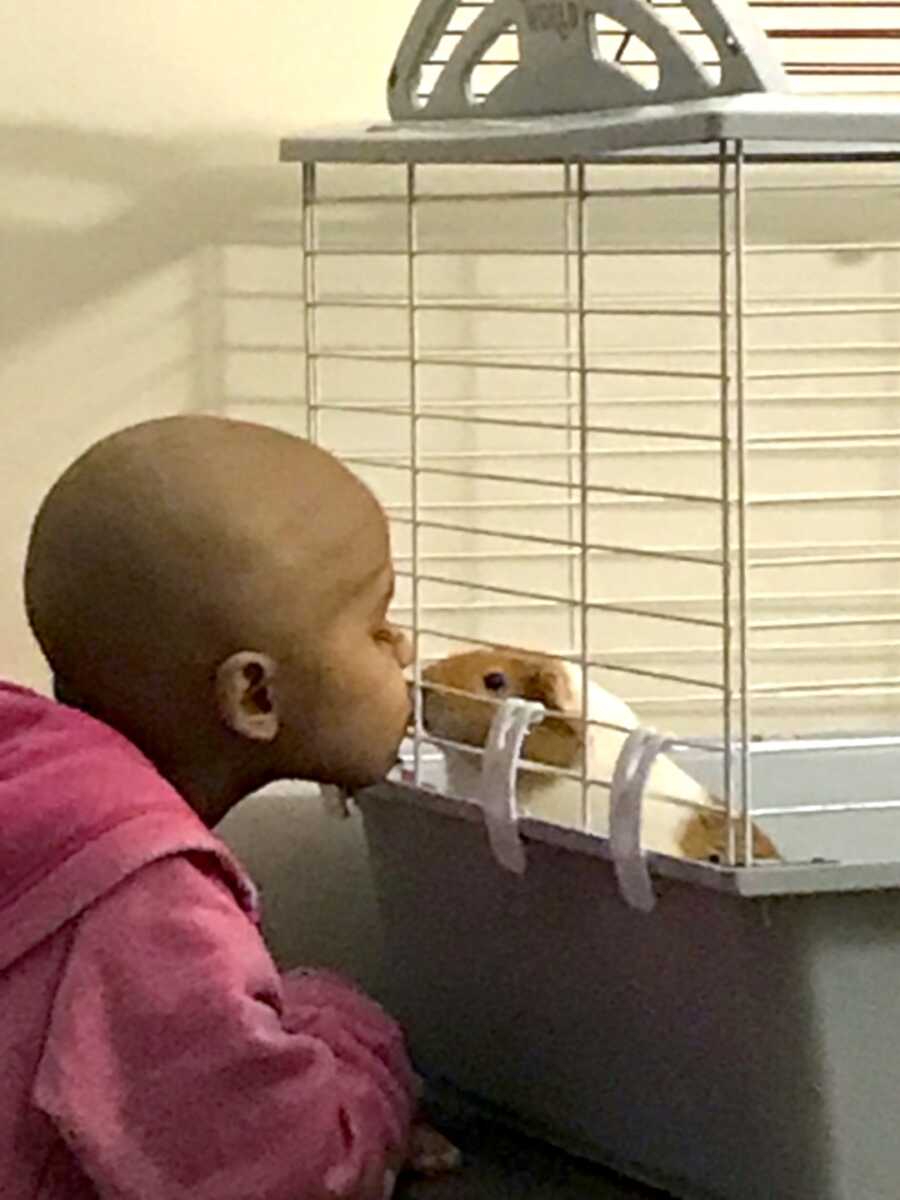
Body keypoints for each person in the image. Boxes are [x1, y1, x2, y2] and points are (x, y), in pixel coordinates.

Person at [1, 415, 456, 1199]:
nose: (404, 649)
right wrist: (350, 1030)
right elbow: (287, 1167)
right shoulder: (142, 898)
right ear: (254, 695)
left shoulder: (37, 782)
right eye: (377, 625)